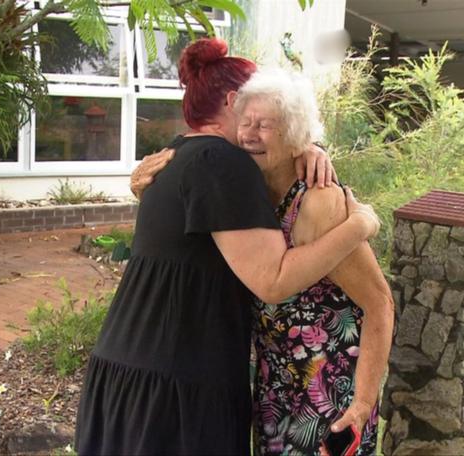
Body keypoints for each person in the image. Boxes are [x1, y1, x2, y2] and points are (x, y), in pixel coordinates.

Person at [75, 38, 381, 455]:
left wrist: (308, 146)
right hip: (175, 390)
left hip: (127, 376)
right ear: (235, 102)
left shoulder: (177, 159)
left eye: (268, 121)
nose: (253, 131)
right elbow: (274, 281)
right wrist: (363, 221)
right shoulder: (223, 164)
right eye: (251, 116)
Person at [234, 69, 394, 455]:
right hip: (276, 386)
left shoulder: (318, 202)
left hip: (329, 392)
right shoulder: (249, 186)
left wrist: (362, 405)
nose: (250, 134)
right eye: (246, 122)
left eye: (266, 125)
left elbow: (380, 303)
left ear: (294, 138)